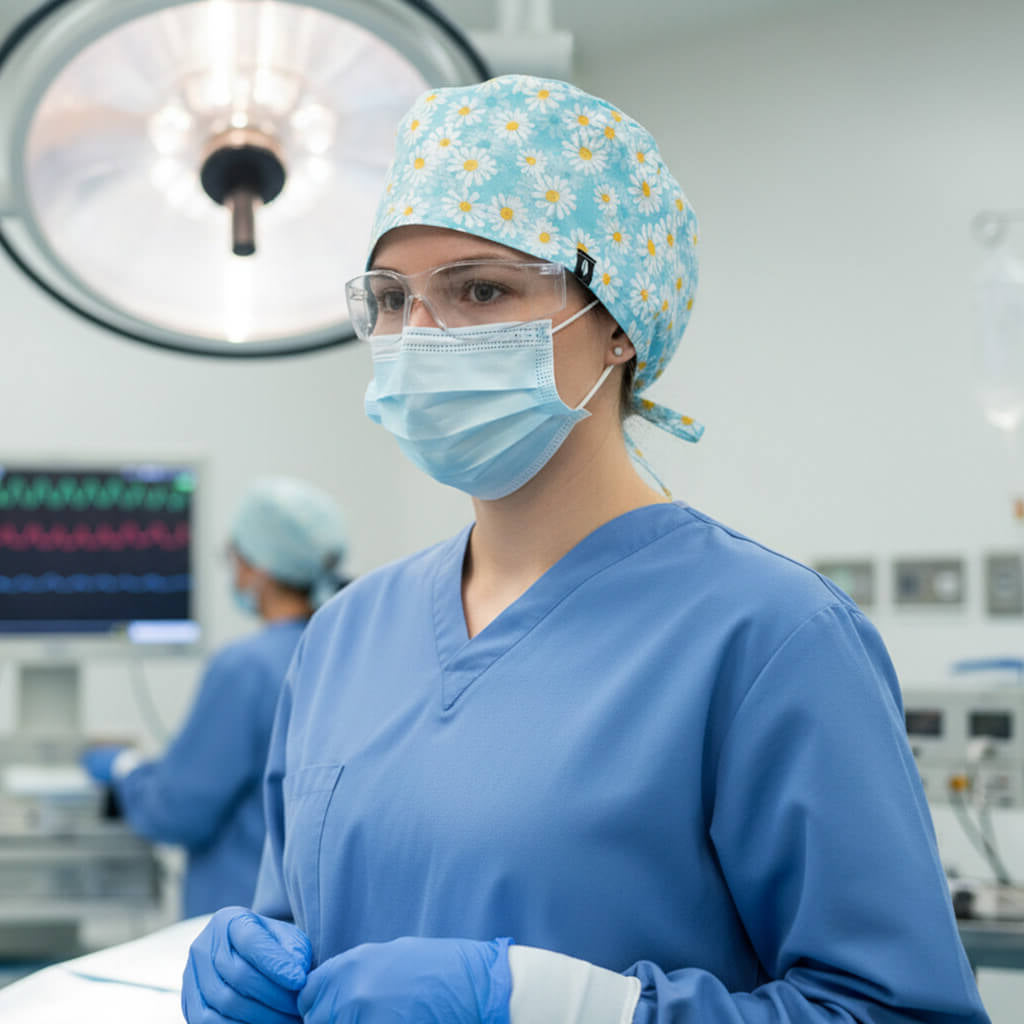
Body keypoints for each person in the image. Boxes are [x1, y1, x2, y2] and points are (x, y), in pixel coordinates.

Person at [181, 75, 989, 1024]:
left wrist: (567, 1006)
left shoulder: (772, 638)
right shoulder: (345, 636)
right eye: (392, 299)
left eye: (480, 290)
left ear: (615, 320)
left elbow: (901, 1012)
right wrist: (253, 967)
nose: (419, 337)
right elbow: (310, 935)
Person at [82, 477, 348, 918]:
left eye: (235, 556)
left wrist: (124, 769)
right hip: (313, 921)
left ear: (258, 569)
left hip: (242, 926)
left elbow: (177, 812)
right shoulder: (342, 651)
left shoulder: (246, 668)